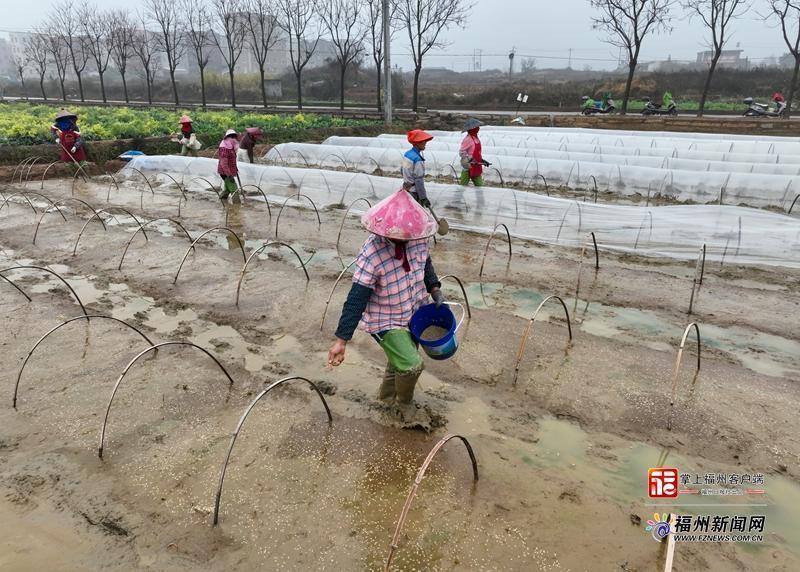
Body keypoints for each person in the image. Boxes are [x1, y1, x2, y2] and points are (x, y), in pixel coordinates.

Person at [327, 189, 444, 416]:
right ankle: (404, 405)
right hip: (385, 319)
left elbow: (426, 264)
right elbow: (356, 299)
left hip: (413, 311)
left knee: (398, 360)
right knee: (412, 365)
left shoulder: (419, 239)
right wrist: (341, 340)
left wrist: (435, 288)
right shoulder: (372, 253)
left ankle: (386, 399)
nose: (405, 237)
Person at [401, 129, 434, 208]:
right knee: (415, 212)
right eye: (423, 141)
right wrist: (423, 198)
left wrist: (408, 180)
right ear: (417, 143)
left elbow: (402, 170)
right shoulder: (417, 159)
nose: (425, 143)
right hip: (414, 192)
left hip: (406, 189)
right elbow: (418, 180)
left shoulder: (407, 154)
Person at [459, 118, 490, 187]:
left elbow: (477, 153)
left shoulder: (476, 138)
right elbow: (461, 152)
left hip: (476, 165)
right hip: (468, 166)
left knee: (479, 187)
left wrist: (482, 160)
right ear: (472, 129)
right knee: (462, 187)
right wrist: (470, 159)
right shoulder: (468, 139)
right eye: (476, 127)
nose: (478, 128)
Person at [217, 129, 241, 204]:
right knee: (234, 189)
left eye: (234, 137)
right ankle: (237, 205)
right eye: (231, 137)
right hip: (225, 173)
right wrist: (229, 175)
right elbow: (223, 163)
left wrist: (235, 170)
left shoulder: (231, 147)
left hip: (229, 171)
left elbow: (232, 161)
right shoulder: (224, 148)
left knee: (227, 189)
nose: (233, 139)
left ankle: (222, 200)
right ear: (227, 137)